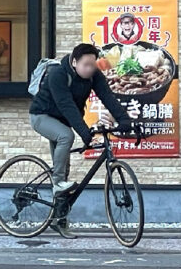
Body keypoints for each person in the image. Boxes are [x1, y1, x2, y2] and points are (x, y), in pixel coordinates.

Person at [29, 43, 134, 239]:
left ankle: (59, 220)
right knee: (65, 136)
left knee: (65, 165)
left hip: (62, 120)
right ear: (75, 62)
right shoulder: (58, 74)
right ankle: (57, 183)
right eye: (86, 65)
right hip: (41, 116)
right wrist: (85, 133)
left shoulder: (94, 75)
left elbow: (108, 97)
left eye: (93, 65)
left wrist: (125, 120)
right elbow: (66, 105)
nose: (90, 69)